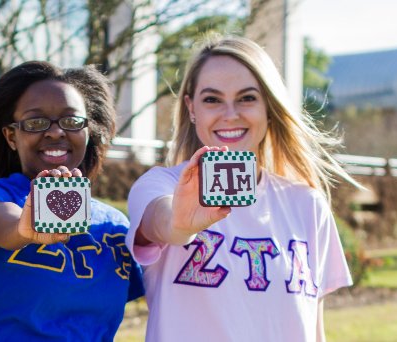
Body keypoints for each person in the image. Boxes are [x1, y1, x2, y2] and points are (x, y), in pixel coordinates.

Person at [125, 35, 360, 341]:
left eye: (247, 98)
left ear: (268, 107)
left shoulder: (308, 204)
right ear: (191, 107)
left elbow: (314, 330)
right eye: (212, 99)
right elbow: (163, 222)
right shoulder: (160, 185)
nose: (230, 114)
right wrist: (179, 223)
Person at [0, 61, 144, 341]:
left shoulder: (114, 226)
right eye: (36, 122)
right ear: (12, 136)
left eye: (71, 121)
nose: (55, 132)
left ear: (88, 131)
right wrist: (22, 230)